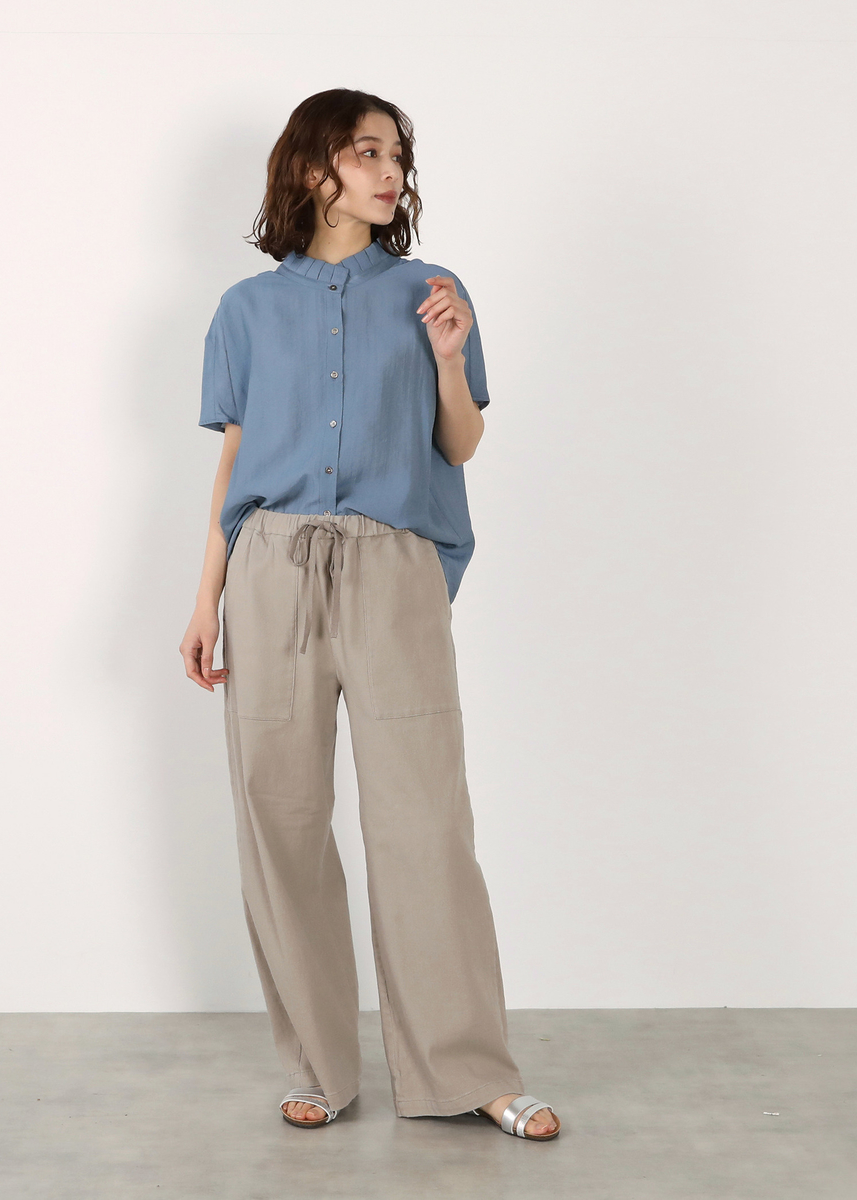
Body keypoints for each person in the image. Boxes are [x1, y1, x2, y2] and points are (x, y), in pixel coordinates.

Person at [180, 88, 561, 1142]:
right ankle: (316, 1065)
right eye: (366, 152)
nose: (390, 172)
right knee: (281, 818)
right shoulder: (244, 311)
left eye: (397, 154)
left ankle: (465, 1069)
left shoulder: (433, 293)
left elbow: (461, 443)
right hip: (271, 570)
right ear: (314, 170)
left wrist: (448, 357)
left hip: (394, 569)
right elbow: (234, 462)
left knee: (424, 823)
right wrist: (206, 598)